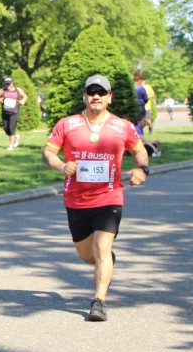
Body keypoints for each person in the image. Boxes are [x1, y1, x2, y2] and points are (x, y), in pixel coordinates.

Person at [42, 74, 149, 323]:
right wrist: (61, 166)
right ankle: (106, 262)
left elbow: (140, 150)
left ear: (109, 97)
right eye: (91, 92)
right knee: (87, 254)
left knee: (102, 247)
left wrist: (142, 169)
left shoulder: (123, 126)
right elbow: (48, 152)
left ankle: (99, 301)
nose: (96, 96)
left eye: (101, 92)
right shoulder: (67, 124)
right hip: (76, 199)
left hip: (109, 197)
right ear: (84, 96)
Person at [0, 77, 29, 150]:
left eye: (9, 84)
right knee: (7, 130)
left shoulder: (18, 90)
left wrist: (23, 101)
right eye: (6, 84)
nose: (8, 86)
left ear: (12, 83)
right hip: (5, 112)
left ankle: (10, 145)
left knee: (11, 128)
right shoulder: (2, 90)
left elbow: (25, 96)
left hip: (14, 112)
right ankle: (15, 137)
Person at [133, 71, 149, 137]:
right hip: (141, 107)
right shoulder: (141, 89)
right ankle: (141, 135)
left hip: (133, 107)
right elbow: (146, 99)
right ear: (140, 80)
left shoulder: (132, 88)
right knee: (141, 123)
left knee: (134, 123)